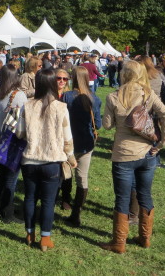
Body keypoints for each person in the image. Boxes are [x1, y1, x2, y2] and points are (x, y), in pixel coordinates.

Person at [100, 60, 165, 254]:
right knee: (145, 194)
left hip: (123, 154)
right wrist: (162, 143)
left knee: (122, 198)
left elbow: (106, 125)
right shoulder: (148, 94)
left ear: (124, 74)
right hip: (147, 154)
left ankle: (119, 242)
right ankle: (144, 238)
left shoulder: (113, 96)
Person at [15, 69, 76, 251]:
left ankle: (29, 233)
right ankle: (45, 238)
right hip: (51, 161)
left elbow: (19, 133)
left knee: (30, 198)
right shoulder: (61, 108)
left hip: (30, 160)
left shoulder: (27, 105)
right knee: (49, 201)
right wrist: (71, 156)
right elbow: (68, 138)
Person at [63, 66, 102, 227]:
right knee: (82, 177)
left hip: (69, 141)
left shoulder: (66, 96)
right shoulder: (95, 99)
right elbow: (98, 125)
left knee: (66, 172)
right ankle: (76, 212)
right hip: (86, 142)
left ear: (73, 78)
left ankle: (65, 201)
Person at [0, 65, 27, 223]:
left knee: (2, 174)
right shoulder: (18, 95)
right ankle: (7, 212)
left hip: (0, 137)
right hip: (13, 139)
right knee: (11, 178)